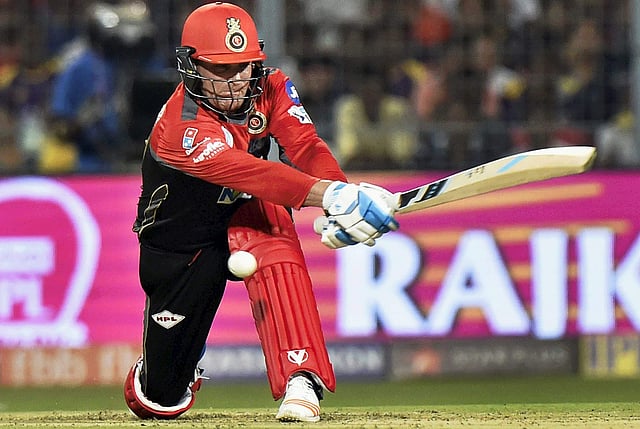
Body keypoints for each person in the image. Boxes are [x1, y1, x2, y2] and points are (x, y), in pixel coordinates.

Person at [122, 2, 399, 423]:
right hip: (181, 247)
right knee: (158, 400)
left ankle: (302, 378)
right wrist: (332, 197)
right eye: (221, 69)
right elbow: (253, 172)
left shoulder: (272, 87)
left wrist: (341, 192)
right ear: (191, 66)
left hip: (243, 209)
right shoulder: (182, 128)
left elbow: (305, 146)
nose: (236, 81)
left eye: (244, 66)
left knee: (270, 222)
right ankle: (172, 370)